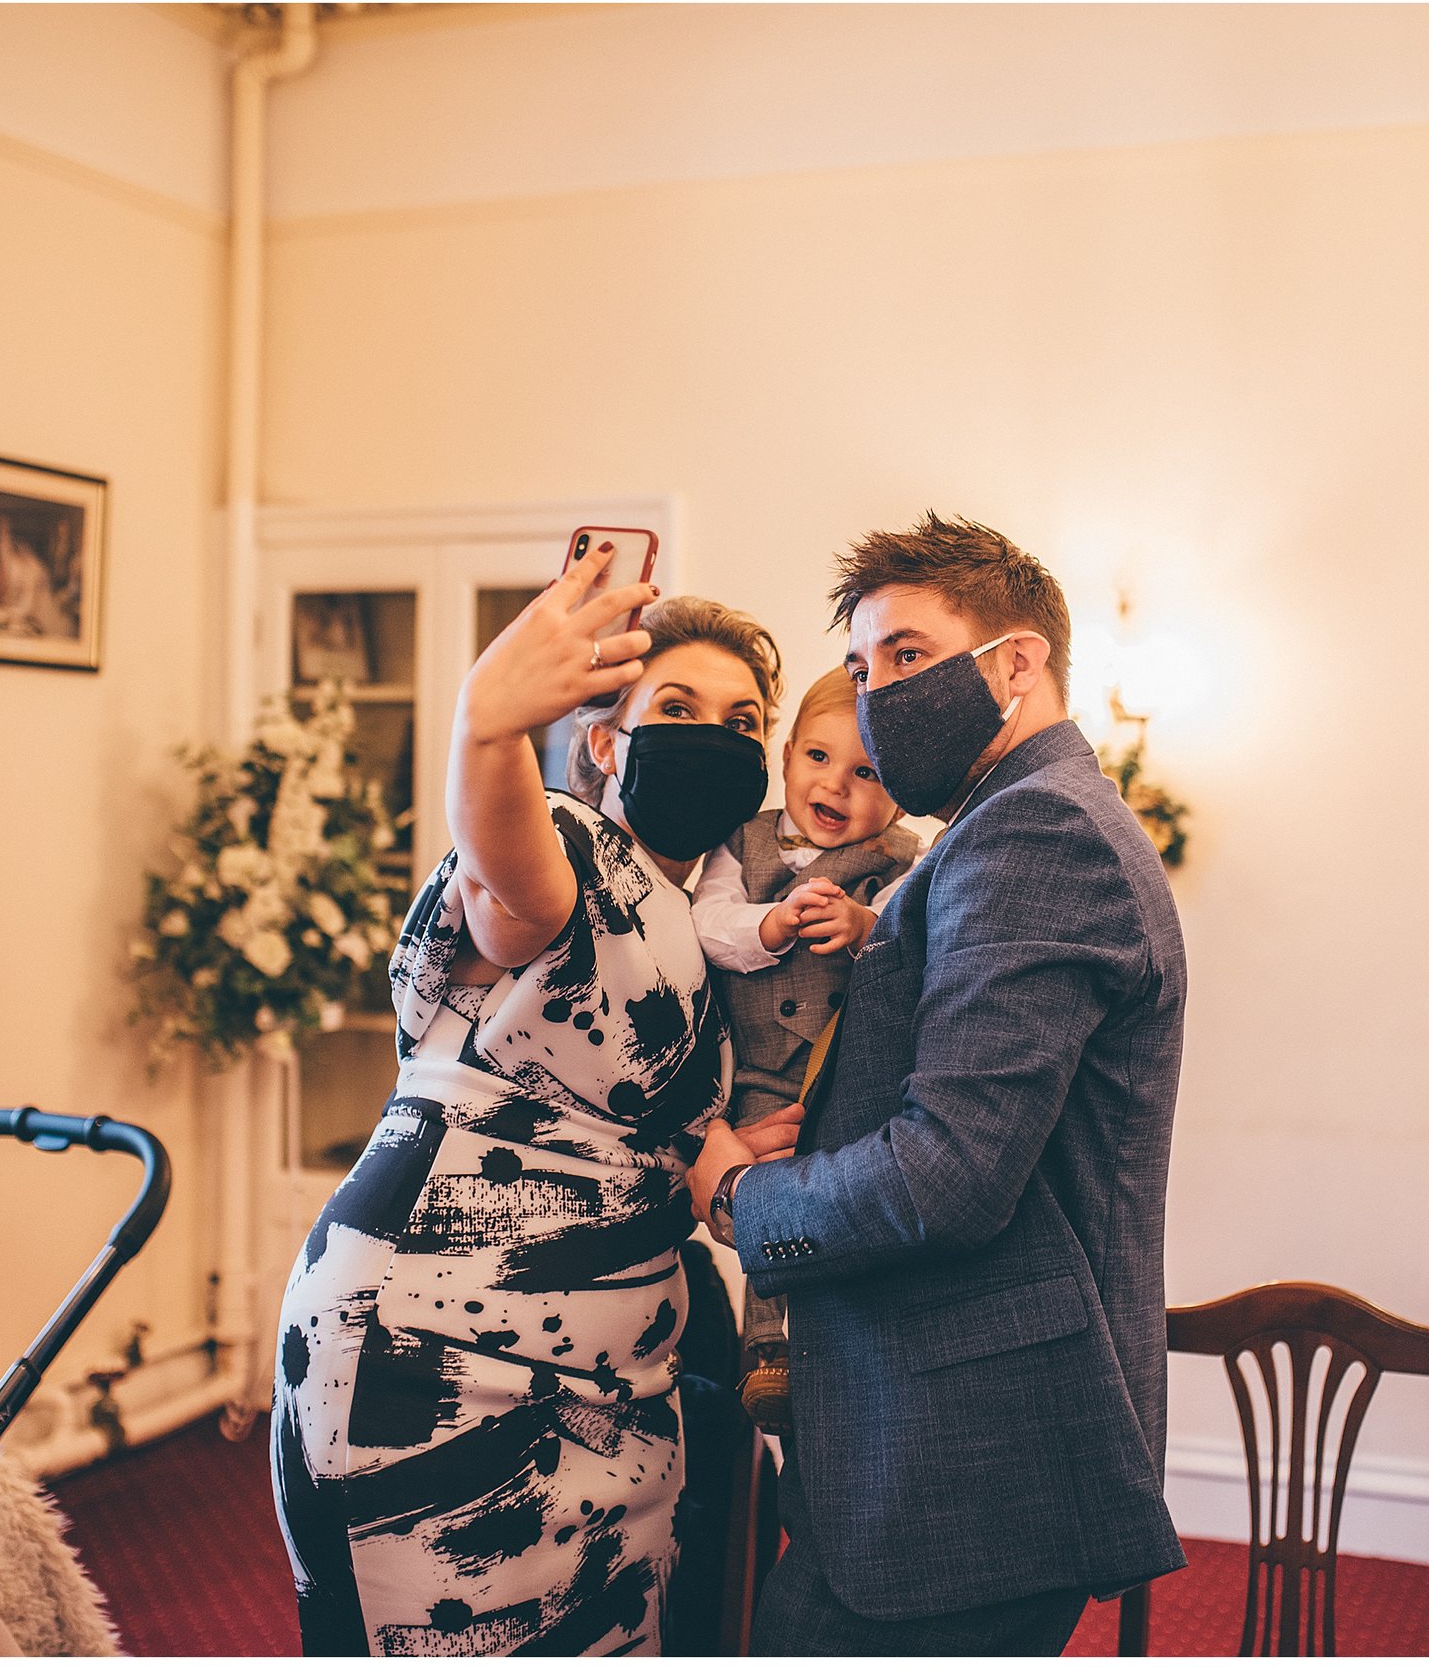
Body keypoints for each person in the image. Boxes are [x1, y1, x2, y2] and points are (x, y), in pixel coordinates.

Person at [690, 511, 1189, 1654]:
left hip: (959, 1453)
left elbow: (947, 1172)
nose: (875, 694)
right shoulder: (992, 832)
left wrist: (738, 1201)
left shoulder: (1036, 835)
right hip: (919, 1423)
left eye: (907, 655)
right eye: (861, 668)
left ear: (1016, 663)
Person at [269, 552, 785, 1657]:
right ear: (605, 741)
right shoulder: (576, 843)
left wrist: (737, 1163)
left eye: (744, 720)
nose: (716, 736)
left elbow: (645, 1129)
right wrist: (486, 727)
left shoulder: (696, 919)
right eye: (678, 708)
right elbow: (508, 887)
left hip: (605, 1376)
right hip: (443, 1366)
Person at [686, 666, 923, 1434]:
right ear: (786, 757)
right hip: (753, 1073)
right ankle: (765, 1351)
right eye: (819, 759)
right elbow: (708, 925)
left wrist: (860, 930)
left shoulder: (902, 863)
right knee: (761, 1192)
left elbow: (913, 943)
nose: (837, 786)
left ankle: (832, 1348)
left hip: (842, 1074)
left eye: (867, 772)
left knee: (831, 1203)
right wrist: (771, 926)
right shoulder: (739, 842)